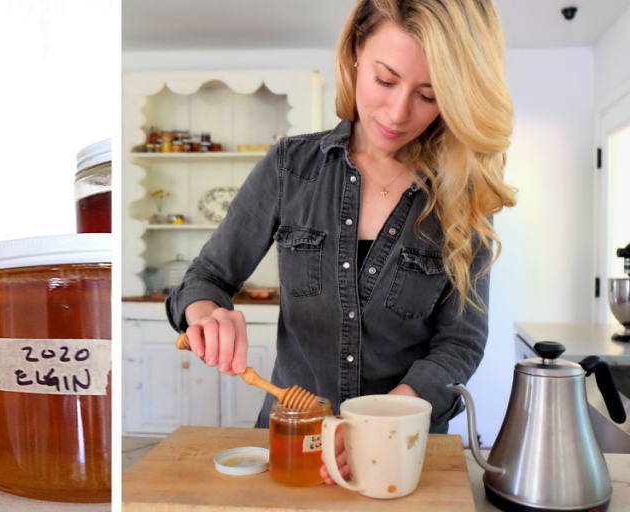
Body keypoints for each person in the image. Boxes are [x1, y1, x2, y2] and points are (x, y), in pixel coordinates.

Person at [164, 0, 516, 486]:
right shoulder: (291, 168)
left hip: (406, 450)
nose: (397, 113)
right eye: (386, 80)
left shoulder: (466, 194)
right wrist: (205, 313)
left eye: (429, 95)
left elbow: (461, 341)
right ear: (355, 51)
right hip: (293, 441)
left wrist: (387, 420)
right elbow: (205, 278)